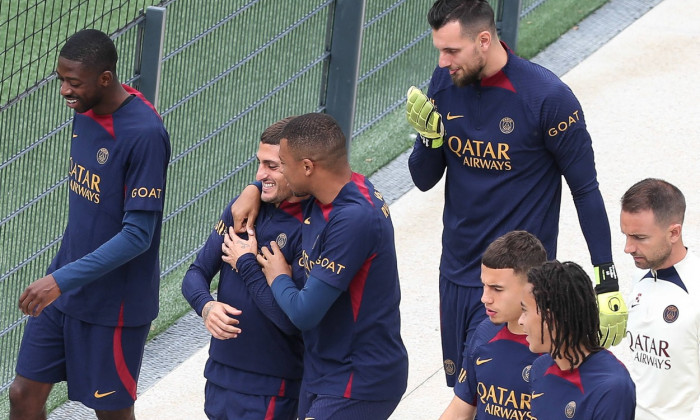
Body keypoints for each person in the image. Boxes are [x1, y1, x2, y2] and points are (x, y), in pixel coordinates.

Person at [404, 0, 626, 387]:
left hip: (520, 286)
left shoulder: (548, 98)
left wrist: (606, 279)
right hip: (456, 275)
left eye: (452, 50)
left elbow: (585, 190)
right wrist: (428, 140)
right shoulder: (445, 84)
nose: (442, 62)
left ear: (484, 40)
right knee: (468, 396)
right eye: (439, 50)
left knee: (501, 400)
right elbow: (424, 180)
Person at [10, 29, 170, 420]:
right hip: (64, 290)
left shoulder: (144, 135)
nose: (65, 90)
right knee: (22, 394)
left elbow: (137, 237)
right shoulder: (86, 110)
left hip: (112, 306)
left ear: (105, 78)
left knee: (110, 412)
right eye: (61, 79)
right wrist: (61, 280)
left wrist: (59, 280)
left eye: (73, 82)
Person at [223, 112, 408, 420]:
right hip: (322, 369)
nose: (276, 171)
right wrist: (253, 189)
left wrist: (275, 275)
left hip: (359, 377)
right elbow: (274, 185)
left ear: (307, 167)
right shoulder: (325, 192)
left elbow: (304, 313)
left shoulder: (353, 219)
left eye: (282, 163)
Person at [181, 117, 305, 419]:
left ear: (302, 167)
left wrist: (247, 264)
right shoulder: (243, 208)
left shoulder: (310, 228)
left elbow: (293, 322)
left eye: (272, 166)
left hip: (272, 386)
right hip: (220, 374)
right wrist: (206, 306)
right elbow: (195, 274)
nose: (260, 174)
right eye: (259, 163)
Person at [440, 230, 546, 420]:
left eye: (497, 289)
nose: (485, 298)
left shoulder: (557, 349)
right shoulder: (484, 333)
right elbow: (459, 410)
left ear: (533, 286)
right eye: (484, 286)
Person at [620, 178, 700, 419]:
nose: (628, 247)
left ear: (674, 232)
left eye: (639, 237)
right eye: (625, 235)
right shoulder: (639, 278)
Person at [520, 261, 636, 419]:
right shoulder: (539, 368)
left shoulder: (611, 388)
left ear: (551, 318)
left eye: (525, 311)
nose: (521, 321)